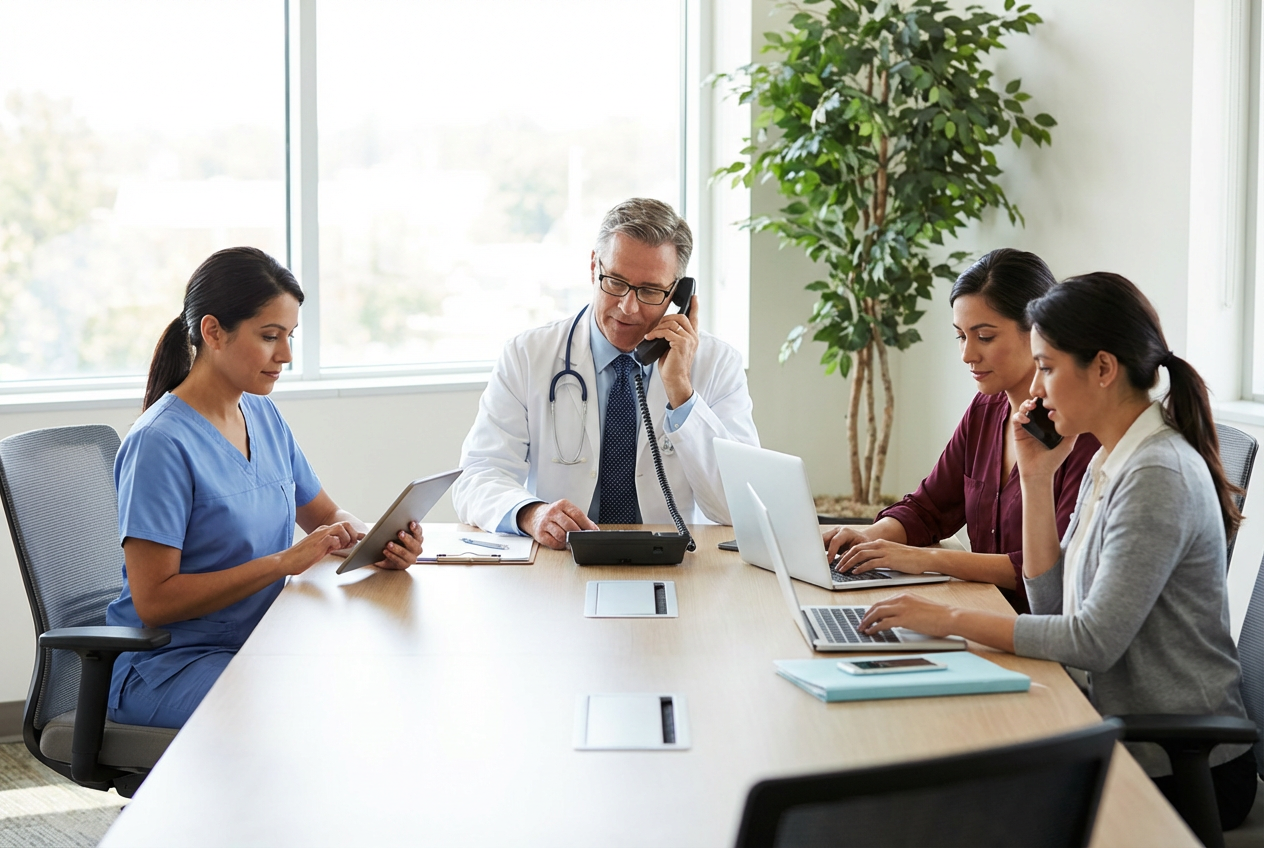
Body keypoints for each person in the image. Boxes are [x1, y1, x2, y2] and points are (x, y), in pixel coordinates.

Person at [858, 273, 1257, 828]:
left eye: (1046, 367)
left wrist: (948, 618)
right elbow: (1051, 609)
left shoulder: (1156, 473)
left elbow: (1090, 641)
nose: (1035, 390)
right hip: (1108, 725)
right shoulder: (1109, 457)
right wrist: (1036, 477)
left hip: (1177, 764)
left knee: (946, 804)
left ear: (1102, 368)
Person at [106, 247, 423, 729]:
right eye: (270, 336)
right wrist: (281, 563)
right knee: (306, 714)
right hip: (173, 665)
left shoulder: (261, 413)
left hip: (263, 641)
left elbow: (326, 516)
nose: (287, 355)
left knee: (374, 681)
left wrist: (376, 541)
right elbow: (155, 601)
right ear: (213, 332)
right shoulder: (159, 444)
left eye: (290, 336)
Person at [453, 198, 759, 549]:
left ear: (678, 293)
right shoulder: (526, 356)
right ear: (594, 266)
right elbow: (477, 476)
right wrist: (531, 514)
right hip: (560, 562)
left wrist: (681, 391)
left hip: (680, 564)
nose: (628, 307)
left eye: (649, 291)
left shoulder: (719, 364)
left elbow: (739, 508)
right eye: (615, 281)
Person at [826, 249, 1098, 611]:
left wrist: (924, 559)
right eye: (960, 336)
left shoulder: (1083, 435)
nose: (967, 354)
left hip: (1032, 633)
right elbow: (930, 508)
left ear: (1037, 333)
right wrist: (869, 538)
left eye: (984, 336)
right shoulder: (986, 411)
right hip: (980, 609)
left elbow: (1052, 570)